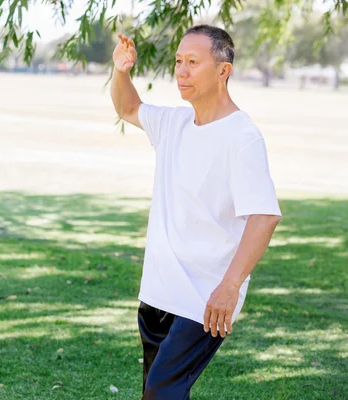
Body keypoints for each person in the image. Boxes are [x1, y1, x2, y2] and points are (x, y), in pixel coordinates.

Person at [110, 25, 282, 399]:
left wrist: (230, 286)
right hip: (159, 288)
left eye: (193, 62)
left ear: (223, 71)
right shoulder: (174, 123)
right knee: (156, 391)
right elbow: (127, 107)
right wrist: (121, 71)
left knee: (162, 390)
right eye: (178, 61)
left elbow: (264, 217)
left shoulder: (242, 137)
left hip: (205, 297)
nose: (181, 71)